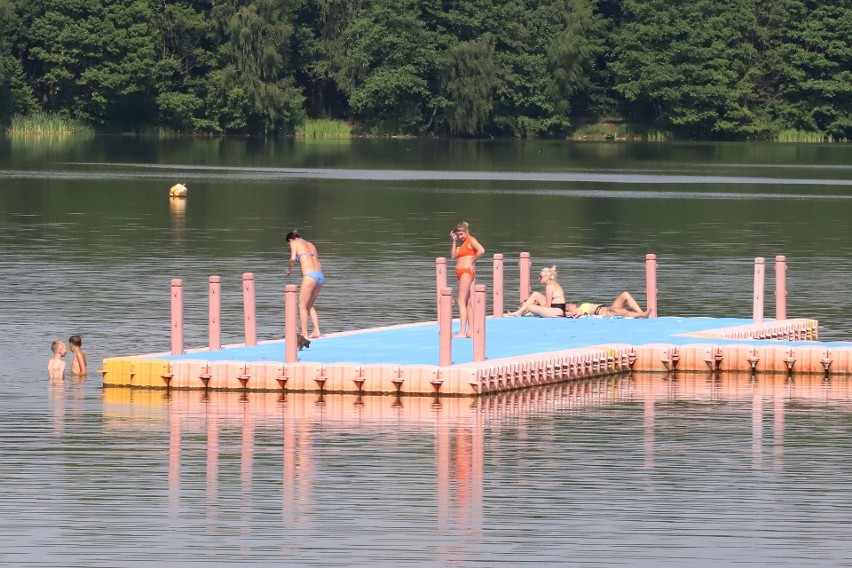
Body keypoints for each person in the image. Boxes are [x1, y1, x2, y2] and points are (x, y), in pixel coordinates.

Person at [286, 229, 324, 339]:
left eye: (288, 244)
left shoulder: (294, 243)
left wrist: (289, 270)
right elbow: (317, 262)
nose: (290, 246)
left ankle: (304, 333)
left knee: (302, 305)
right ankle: (316, 330)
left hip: (310, 276)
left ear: (290, 240)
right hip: (320, 276)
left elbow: (293, 258)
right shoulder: (310, 244)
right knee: (309, 305)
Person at [450, 221, 485, 338]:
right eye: (458, 235)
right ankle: (471, 330)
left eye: (461, 234)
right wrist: (454, 240)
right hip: (460, 272)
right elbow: (453, 256)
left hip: (466, 272)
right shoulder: (462, 244)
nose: (460, 237)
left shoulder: (471, 240)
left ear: (466, 231)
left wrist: (472, 261)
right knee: (467, 301)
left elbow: (481, 250)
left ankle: (462, 331)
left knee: (460, 301)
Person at [565, 291, 648, 318]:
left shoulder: (581, 306)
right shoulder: (578, 313)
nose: (570, 304)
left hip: (608, 308)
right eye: (568, 306)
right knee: (625, 311)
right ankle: (641, 314)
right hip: (605, 312)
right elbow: (564, 314)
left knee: (625, 294)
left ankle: (641, 312)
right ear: (569, 310)